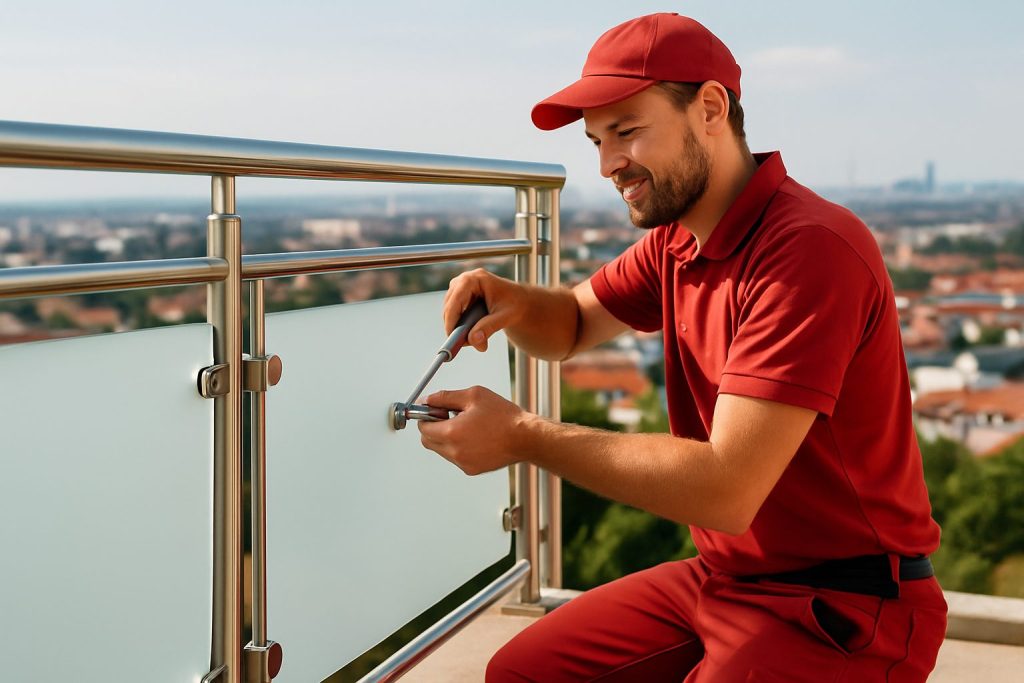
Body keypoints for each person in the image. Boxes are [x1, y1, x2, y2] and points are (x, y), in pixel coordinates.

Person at [417, 12, 947, 682]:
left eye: (628, 131)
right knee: (522, 671)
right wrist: (516, 300)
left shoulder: (808, 250)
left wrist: (523, 435)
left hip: (846, 605)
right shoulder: (679, 239)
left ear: (710, 109)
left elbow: (727, 487)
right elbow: (574, 323)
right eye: (598, 141)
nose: (609, 164)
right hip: (725, 578)